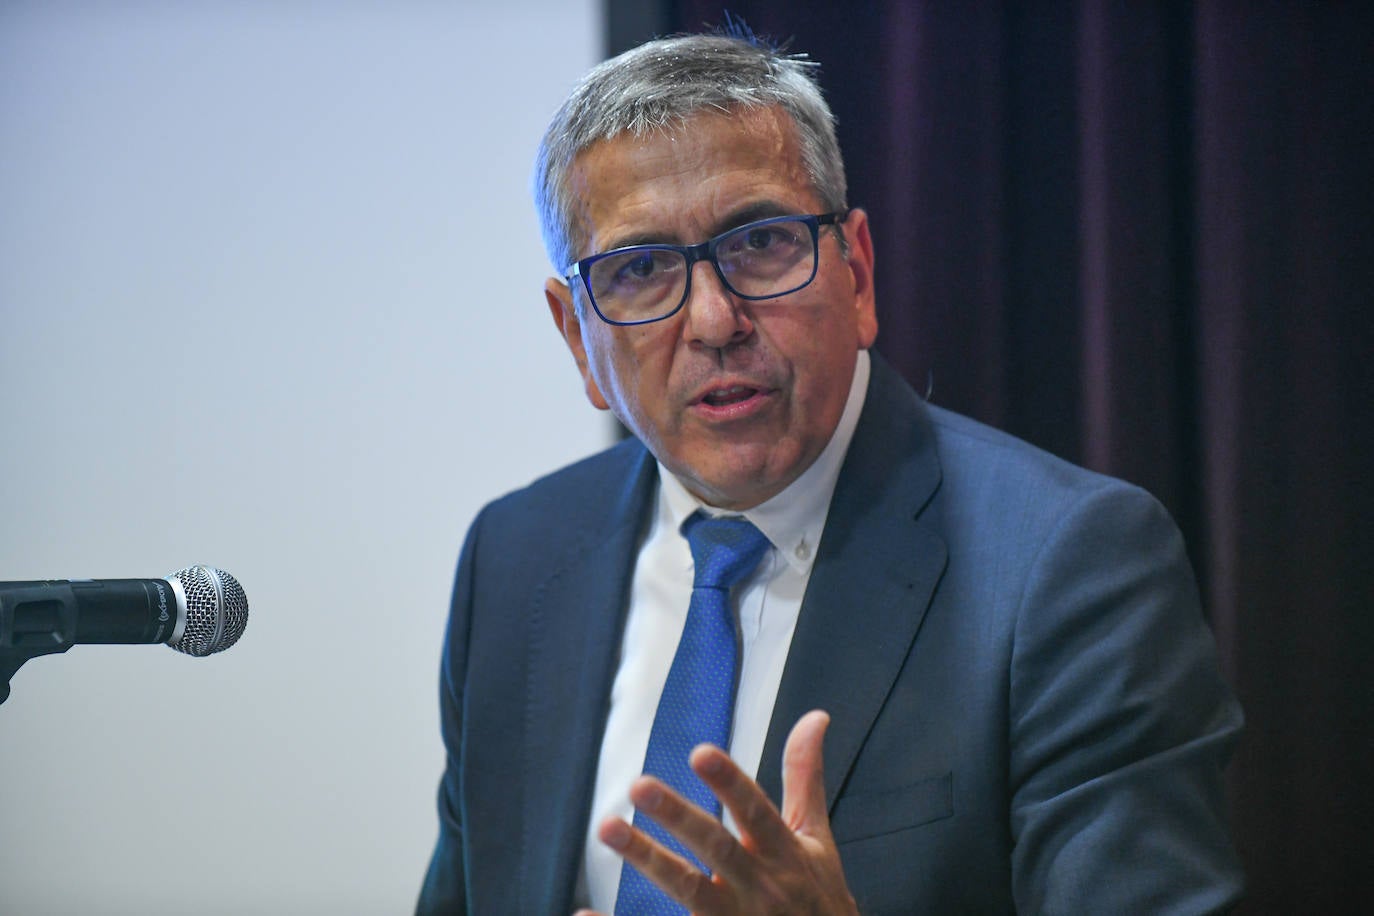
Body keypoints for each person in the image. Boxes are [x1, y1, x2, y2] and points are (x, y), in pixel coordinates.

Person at [417, 29, 1244, 915]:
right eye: (642, 269)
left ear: (857, 273)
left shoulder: (1069, 567)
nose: (713, 319)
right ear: (579, 339)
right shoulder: (516, 559)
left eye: (762, 241)